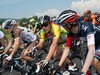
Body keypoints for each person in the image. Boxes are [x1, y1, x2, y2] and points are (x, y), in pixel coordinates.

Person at [54, 9, 100, 74]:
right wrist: (59, 65)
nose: (62, 28)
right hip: (93, 43)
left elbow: (91, 50)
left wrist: (83, 71)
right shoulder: (71, 32)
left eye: (63, 25)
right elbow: (67, 49)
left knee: (93, 61)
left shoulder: (87, 27)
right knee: (87, 64)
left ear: (69, 24)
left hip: (98, 42)